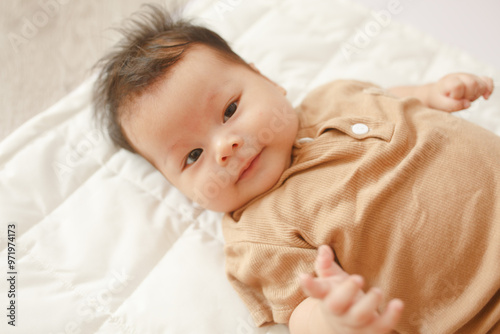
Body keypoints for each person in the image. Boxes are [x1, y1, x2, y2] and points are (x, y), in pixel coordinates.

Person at [93, 5, 499, 334]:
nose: (224, 147)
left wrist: (432, 93)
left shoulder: (334, 94)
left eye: (231, 110)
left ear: (266, 78)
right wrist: (334, 318)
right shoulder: (257, 233)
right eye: (192, 157)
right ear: (180, 188)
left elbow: (388, 98)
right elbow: (299, 309)